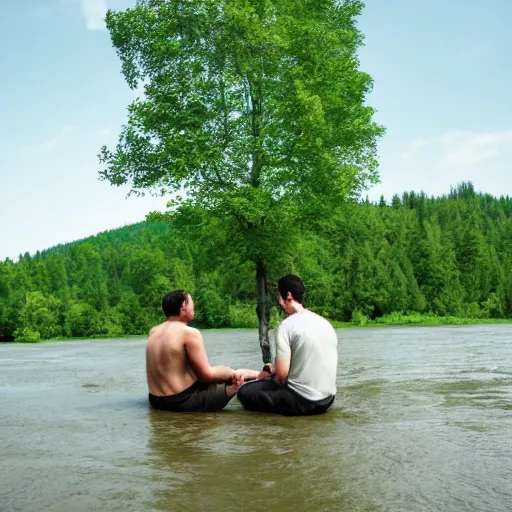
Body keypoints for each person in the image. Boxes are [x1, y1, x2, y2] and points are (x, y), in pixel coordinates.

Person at [237, 275, 338, 416]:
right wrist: (267, 372)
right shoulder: (325, 324)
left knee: (245, 392)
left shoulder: (286, 326)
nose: (279, 300)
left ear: (288, 296)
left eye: (279, 295)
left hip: (305, 401)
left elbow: (281, 377)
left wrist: (262, 377)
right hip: (327, 400)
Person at [146, 290, 259, 412]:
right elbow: (206, 375)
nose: (193, 306)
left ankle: (255, 375)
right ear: (184, 306)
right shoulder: (189, 333)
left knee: (223, 375)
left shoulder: (154, 331)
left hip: (155, 400)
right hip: (180, 402)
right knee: (234, 381)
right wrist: (232, 374)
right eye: (191, 302)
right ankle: (254, 378)